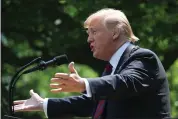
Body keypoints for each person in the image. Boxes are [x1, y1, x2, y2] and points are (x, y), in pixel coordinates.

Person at [14, 8, 171, 119]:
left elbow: (125, 82)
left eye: (94, 32)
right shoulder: (112, 69)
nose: (89, 39)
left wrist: (84, 84)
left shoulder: (143, 58)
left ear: (115, 32)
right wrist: (44, 104)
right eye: (88, 34)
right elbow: (95, 105)